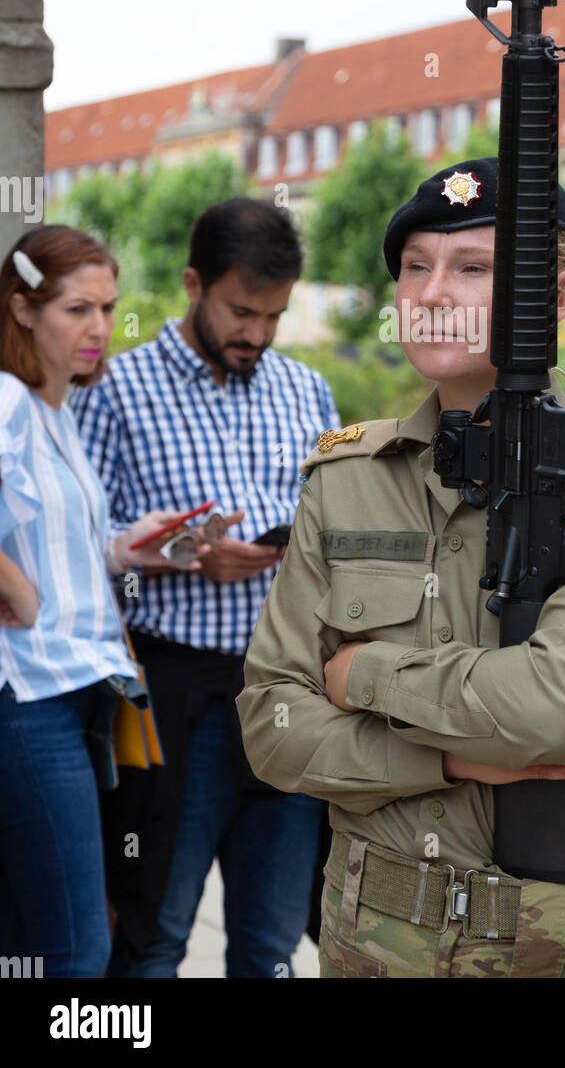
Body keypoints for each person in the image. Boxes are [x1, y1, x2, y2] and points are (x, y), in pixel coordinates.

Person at [238, 157, 565, 979]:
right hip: (372, 933)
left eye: (473, 268)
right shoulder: (346, 479)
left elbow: (560, 709)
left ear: (554, 300)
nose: (432, 294)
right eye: (416, 267)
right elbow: (271, 724)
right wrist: (445, 759)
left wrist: (362, 673)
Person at [69, 196, 339, 979]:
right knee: (154, 935)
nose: (256, 333)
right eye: (240, 311)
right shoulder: (115, 388)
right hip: (172, 692)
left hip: (287, 689)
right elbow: (79, 545)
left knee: (272, 944)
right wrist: (179, 554)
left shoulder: (305, 390)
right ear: (193, 284)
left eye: (274, 315)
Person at [0, 226, 208, 978]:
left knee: (30, 939)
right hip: (30, 696)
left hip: (81, 688)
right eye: (77, 310)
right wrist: (12, 584)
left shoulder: (55, 412)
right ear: (23, 310)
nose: (99, 331)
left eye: (108, 308)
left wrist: (128, 549)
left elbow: (50, 541)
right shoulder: (7, 401)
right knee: (78, 948)